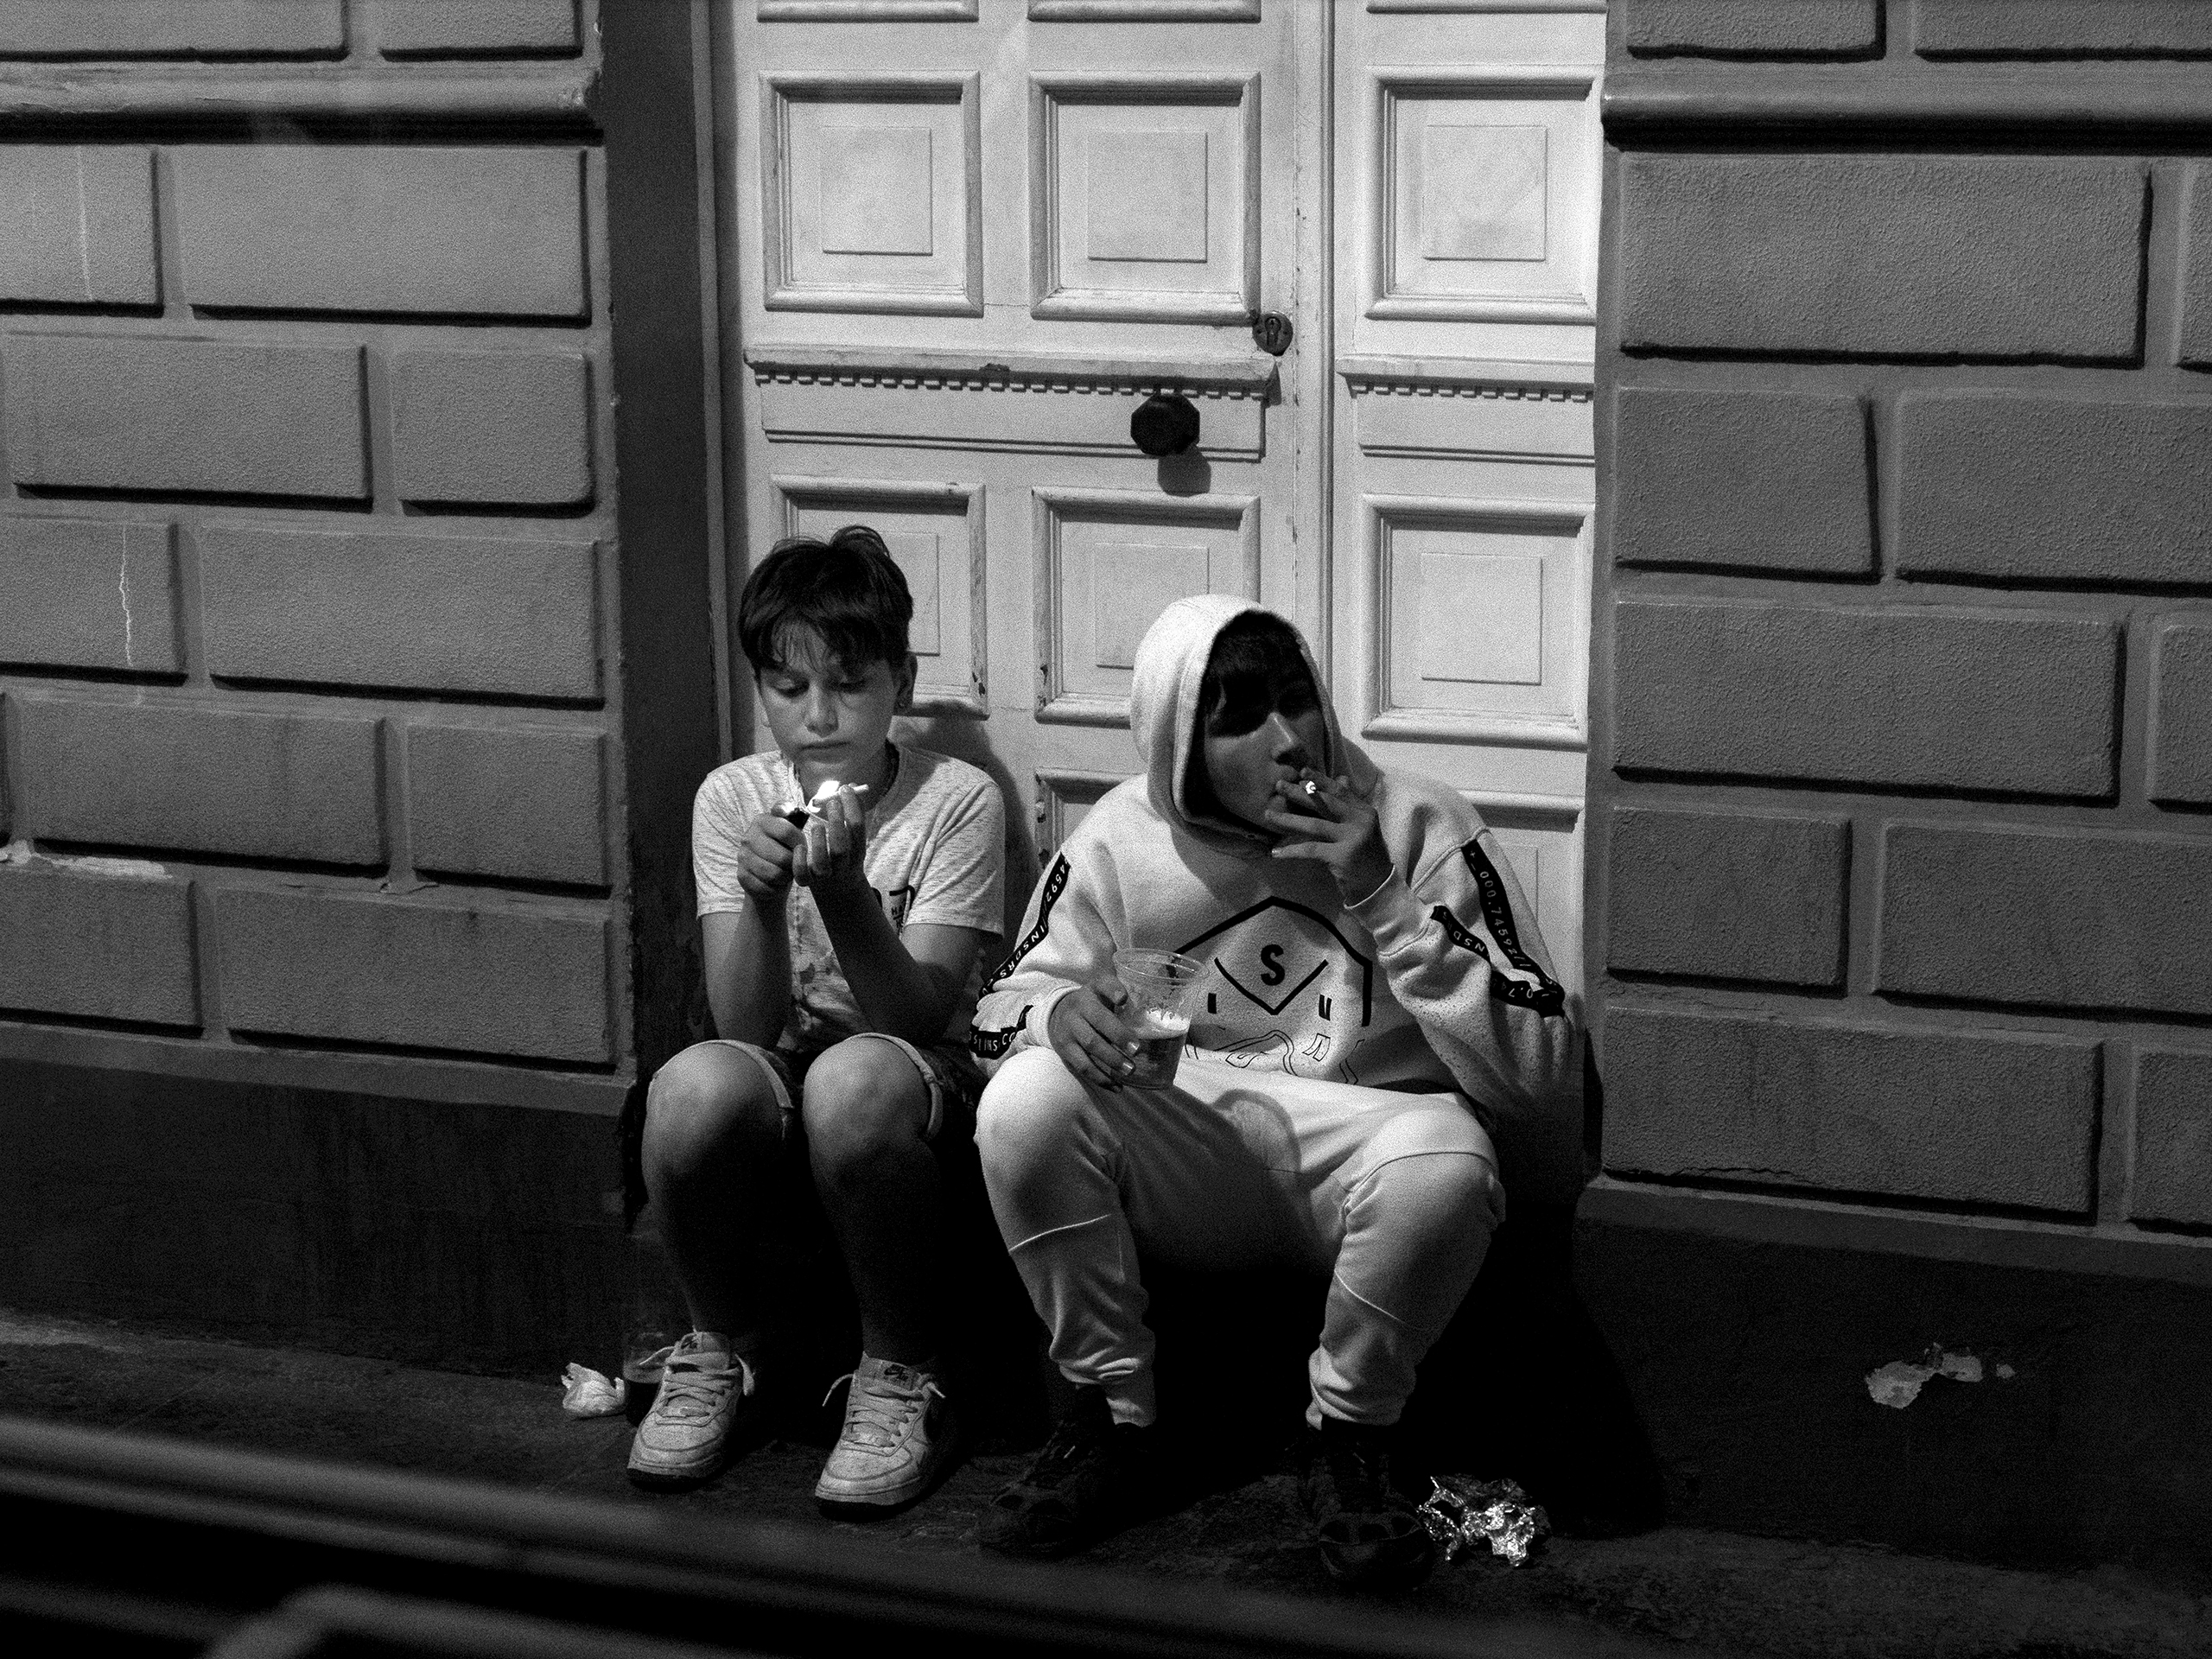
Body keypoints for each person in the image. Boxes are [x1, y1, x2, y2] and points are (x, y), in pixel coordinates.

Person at [968, 595, 1582, 1589]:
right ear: (1178, 741)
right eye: (1239, 715)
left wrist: (1381, 894)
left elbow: (1538, 1078)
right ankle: (1106, 1422)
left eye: (1298, 700)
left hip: (1365, 1153)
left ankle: (1350, 1440)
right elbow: (1001, 1010)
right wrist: (1054, 1018)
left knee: (1448, 1164)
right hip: (1194, 1145)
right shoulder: (1118, 839)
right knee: (1025, 1098)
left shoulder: (1420, 821)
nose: (1291, 739)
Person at [629, 526, 1004, 1514]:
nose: (821, 716)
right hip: (788, 1063)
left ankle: (899, 1371)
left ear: (900, 679)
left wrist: (844, 900)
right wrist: (756, 898)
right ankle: (721, 1350)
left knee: (853, 1079)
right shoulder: (734, 796)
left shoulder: (954, 800)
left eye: (849, 684)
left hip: (917, 1080)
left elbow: (921, 1014)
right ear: (760, 690)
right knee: (689, 1086)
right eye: (789, 690)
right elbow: (742, 1027)